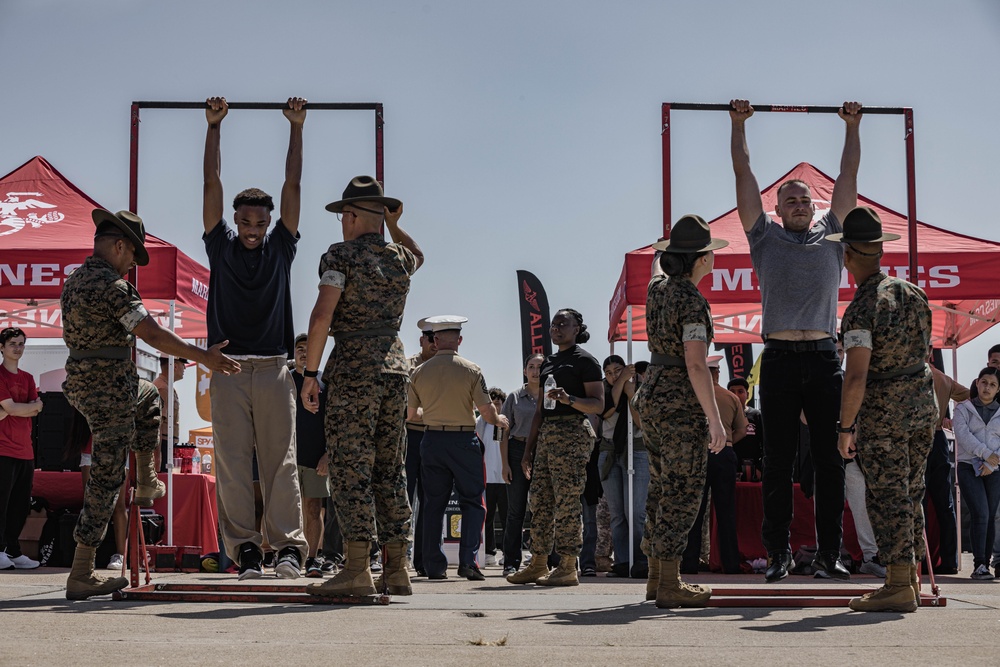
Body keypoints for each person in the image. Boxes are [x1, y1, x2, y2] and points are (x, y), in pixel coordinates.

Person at [60, 208, 239, 600]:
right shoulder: (113, 287)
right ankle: (82, 571)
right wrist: (203, 355)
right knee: (106, 480)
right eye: (131, 256)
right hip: (109, 388)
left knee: (147, 398)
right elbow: (153, 334)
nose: (130, 266)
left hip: (81, 383)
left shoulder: (73, 282)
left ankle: (146, 481)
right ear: (119, 245)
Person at [730, 98, 862, 582]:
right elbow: (743, 175)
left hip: (826, 358)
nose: (800, 205)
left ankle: (831, 556)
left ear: (816, 206)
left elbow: (848, 179)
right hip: (781, 358)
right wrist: (738, 126)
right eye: (791, 200)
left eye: (806, 200)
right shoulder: (764, 237)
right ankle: (779, 555)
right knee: (778, 462)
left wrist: (852, 129)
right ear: (778, 208)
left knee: (830, 461)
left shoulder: (833, 235)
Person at [202, 96, 309, 580]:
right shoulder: (219, 245)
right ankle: (245, 550)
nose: (251, 229)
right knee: (230, 464)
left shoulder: (282, 246)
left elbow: (292, 183)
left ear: (270, 223)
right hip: (226, 370)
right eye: (245, 221)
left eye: (259, 223)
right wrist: (214, 128)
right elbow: (211, 184)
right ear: (235, 220)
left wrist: (296, 128)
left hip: (271, 368)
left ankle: (288, 548)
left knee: (279, 463)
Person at [301, 175, 423, 598]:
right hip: (394, 367)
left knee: (352, 468)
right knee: (391, 469)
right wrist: (394, 224)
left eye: (343, 216)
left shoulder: (340, 256)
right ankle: (397, 569)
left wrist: (311, 374)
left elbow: (321, 316)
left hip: (354, 369)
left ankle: (356, 568)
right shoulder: (400, 259)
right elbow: (418, 254)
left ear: (350, 216)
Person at [832, 206, 938, 612]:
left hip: (886, 414)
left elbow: (856, 377)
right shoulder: (913, 292)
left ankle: (897, 584)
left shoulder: (861, 307)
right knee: (910, 494)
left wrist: (845, 429)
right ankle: (906, 579)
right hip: (920, 405)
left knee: (887, 497)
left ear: (847, 255)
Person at [633, 215, 728, 608]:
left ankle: (657, 576)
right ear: (703, 259)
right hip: (677, 400)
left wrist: (662, 251)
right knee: (683, 489)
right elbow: (695, 363)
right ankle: (669, 581)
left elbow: (656, 269)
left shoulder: (658, 289)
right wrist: (714, 418)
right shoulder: (690, 300)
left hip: (652, 393)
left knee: (661, 485)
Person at [507, 309, 603, 588]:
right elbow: (539, 411)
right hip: (547, 436)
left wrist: (569, 398)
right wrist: (528, 452)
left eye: (564, 324)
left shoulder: (585, 361)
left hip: (572, 432)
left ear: (577, 329)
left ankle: (567, 565)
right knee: (540, 501)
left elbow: (597, 404)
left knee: (567, 501)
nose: (557, 328)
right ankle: (538, 563)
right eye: (554, 324)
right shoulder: (548, 362)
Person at [409, 317, 509, 581]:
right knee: (474, 503)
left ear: (435, 340)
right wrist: (499, 420)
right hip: (464, 441)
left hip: (431, 441)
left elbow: (410, 414)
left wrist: (431, 412)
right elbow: (487, 412)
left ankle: (434, 566)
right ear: (460, 341)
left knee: (433, 505)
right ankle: (468, 562)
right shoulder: (472, 370)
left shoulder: (419, 372)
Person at [681, 356, 746, 575]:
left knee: (695, 512)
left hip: (699, 454)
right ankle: (730, 564)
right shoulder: (730, 397)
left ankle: (689, 562)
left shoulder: (692, 395)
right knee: (726, 511)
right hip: (724, 454)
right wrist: (726, 443)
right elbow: (742, 430)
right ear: (717, 373)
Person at [597, 355, 649, 578]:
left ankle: (641, 559)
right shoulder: (604, 391)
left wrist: (631, 395)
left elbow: (640, 422)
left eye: (617, 370)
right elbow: (606, 411)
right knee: (617, 513)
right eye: (608, 373)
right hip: (609, 452)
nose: (613, 376)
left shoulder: (640, 390)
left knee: (636, 511)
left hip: (636, 451)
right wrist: (620, 385)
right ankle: (622, 560)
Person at [0, 327, 43, 570]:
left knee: (21, 505)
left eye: (21, 343)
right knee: (1, 503)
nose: (18, 348)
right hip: (2, 450)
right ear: (2, 347)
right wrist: (24, 407)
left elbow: (38, 407)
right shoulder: (0, 375)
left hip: (25, 451)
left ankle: (13, 551)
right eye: (13, 343)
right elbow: (24, 407)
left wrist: (14, 409)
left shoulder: (27, 378)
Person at [953, 367, 1000, 580]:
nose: (987, 387)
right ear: (977, 382)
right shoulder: (963, 408)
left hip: (995, 469)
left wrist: (992, 462)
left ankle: (986, 565)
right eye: (984, 382)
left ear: (998, 389)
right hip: (967, 466)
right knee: (980, 513)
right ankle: (979, 564)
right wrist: (985, 454)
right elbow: (962, 435)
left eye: (992, 384)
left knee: (990, 516)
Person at [499, 353, 543, 577]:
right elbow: (503, 433)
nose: (535, 371)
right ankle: (511, 561)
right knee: (515, 511)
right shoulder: (514, 397)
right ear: (525, 370)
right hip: (517, 451)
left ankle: (544, 559)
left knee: (543, 509)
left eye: (539, 367)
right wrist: (505, 464)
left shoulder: (550, 396)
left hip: (542, 453)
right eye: (531, 367)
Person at [291, 333, 331, 578]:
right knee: (287, 512)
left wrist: (328, 454)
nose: (304, 353)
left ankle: (313, 560)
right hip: (286, 458)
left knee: (313, 509)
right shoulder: (281, 381)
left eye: (309, 348)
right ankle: (289, 556)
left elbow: (334, 423)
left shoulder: (324, 384)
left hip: (316, 459)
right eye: (299, 349)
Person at [925, 362, 968, 575]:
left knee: (918, 503)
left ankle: (920, 560)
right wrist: (951, 419)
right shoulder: (943, 378)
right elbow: (972, 396)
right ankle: (949, 559)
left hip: (918, 439)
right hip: (938, 438)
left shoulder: (908, 373)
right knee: (945, 504)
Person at [405, 320, 437, 576]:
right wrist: (438, 413)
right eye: (430, 337)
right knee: (403, 500)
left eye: (439, 337)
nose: (435, 343)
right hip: (408, 440)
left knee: (431, 503)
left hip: (435, 439)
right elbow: (408, 413)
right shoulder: (407, 366)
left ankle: (424, 562)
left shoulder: (449, 366)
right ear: (421, 340)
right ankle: (398, 559)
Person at [476, 387, 508, 568]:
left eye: (498, 403)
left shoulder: (507, 422)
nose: (495, 407)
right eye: (492, 403)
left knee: (506, 518)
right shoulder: (480, 422)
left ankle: (507, 552)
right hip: (486, 478)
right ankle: (489, 553)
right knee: (486, 519)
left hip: (504, 478)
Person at [153, 355, 186, 472]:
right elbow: (157, 423)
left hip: (166, 444)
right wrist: (158, 456)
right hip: (163, 445)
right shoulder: (163, 388)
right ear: (175, 366)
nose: (185, 368)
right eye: (183, 364)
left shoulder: (166, 386)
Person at [726, 378, 763, 478]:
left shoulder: (756, 416)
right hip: (727, 468)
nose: (736, 395)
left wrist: (760, 467)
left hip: (751, 471)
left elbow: (766, 444)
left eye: (740, 392)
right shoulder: (723, 415)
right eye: (732, 392)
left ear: (747, 394)